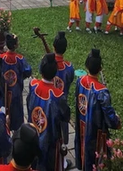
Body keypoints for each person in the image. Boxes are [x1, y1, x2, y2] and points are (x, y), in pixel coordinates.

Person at [74, 49, 121, 171]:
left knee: (83, 147)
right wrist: (116, 121)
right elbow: (109, 115)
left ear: (87, 65)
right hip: (96, 130)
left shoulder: (80, 80)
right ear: (100, 69)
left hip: (82, 121)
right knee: (96, 158)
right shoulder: (101, 91)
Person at [26, 54, 70, 171]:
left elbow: (28, 103)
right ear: (55, 73)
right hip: (50, 139)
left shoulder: (33, 85)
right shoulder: (58, 95)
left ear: (41, 70)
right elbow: (66, 116)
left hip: (33, 134)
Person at [53, 32, 75, 169]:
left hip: (50, 103)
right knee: (62, 132)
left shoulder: (47, 62)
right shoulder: (69, 67)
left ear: (53, 46)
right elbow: (70, 80)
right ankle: (63, 161)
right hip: (63, 103)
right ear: (65, 48)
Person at [1, 34, 32, 131]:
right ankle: (17, 133)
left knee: (3, 109)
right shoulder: (20, 59)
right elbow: (28, 71)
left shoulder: (0, 58)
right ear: (16, 45)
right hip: (16, 91)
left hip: (3, 91)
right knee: (17, 112)